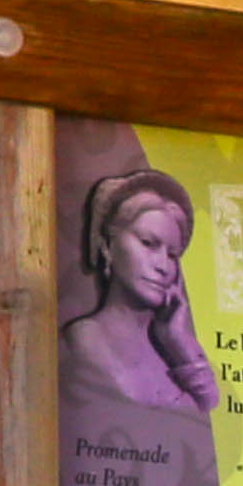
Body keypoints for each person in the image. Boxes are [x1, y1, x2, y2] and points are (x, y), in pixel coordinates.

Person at [65, 167, 222, 414]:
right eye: (148, 244)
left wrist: (178, 341)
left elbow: (210, 416)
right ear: (107, 245)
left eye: (172, 254)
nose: (163, 266)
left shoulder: (172, 347)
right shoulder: (88, 339)